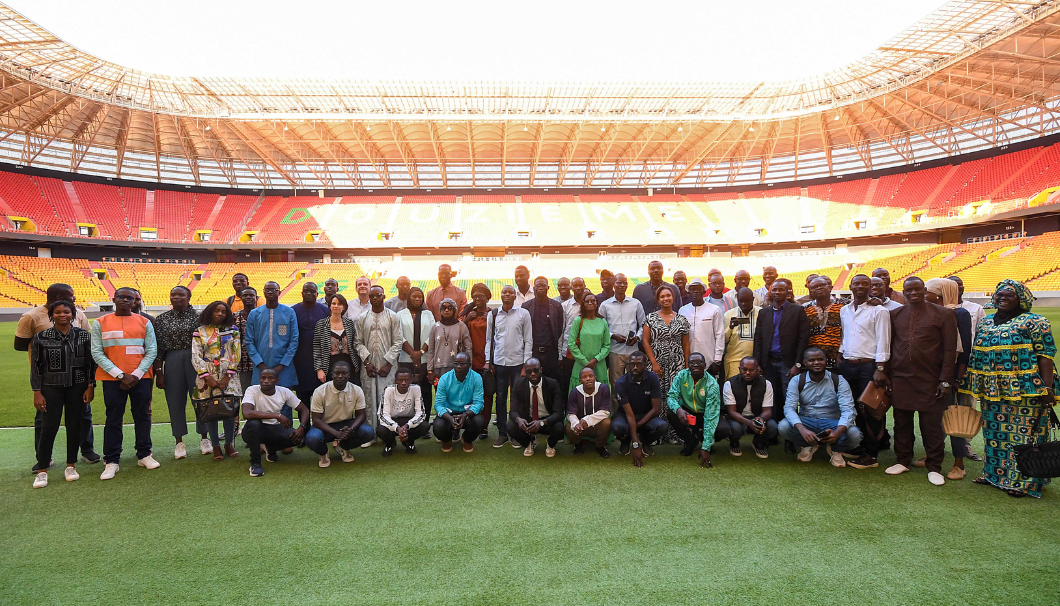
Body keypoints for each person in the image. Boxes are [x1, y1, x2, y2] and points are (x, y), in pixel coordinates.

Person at [961, 279, 1057, 498]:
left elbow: (1045, 355)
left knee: (1023, 436)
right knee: (994, 434)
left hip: (1026, 389)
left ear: (1021, 298)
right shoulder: (986, 323)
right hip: (993, 390)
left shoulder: (1035, 322)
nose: (1002, 298)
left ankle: (1024, 481)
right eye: (999, 295)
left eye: (1008, 295)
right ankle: (993, 474)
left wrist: (1047, 388)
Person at [879, 277, 957, 486]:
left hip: (932, 379)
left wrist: (945, 380)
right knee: (901, 422)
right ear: (903, 292)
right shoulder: (895, 314)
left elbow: (950, 351)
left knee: (930, 425)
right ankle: (903, 460)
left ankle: (934, 467)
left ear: (925, 291)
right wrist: (886, 373)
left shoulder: (944, 314)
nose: (913, 293)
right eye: (909, 290)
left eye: (917, 289)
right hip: (901, 377)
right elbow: (889, 345)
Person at [15, 282, 97, 470]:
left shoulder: (78, 313)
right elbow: (19, 344)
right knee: (45, 421)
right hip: (49, 379)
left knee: (82, 416)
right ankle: (44, 458)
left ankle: (86, 450)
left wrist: (90, 383)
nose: (74, 298)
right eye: (70, 295)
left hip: (77, 379)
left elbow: (87, 347)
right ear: (57, 297)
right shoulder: (32, 316)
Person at [91, 287, 159, 480]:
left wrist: (135, 374)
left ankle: (144, 454)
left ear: (135, 300)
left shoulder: (145, 322)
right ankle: (112, 460)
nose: (126, 300)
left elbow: (151, 350)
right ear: (114, 299)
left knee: (142, 415)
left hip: (140, 377)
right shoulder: (100, 323)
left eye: (130, 298)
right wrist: (121, 375)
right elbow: (97, 352)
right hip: (112, 379)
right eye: (122, 297)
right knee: (113, 418)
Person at [30, 300, 96, 488]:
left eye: (66, 312)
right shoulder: (41, 337)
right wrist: (37, 392)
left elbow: (91, 364)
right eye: (57, 312)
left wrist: (90, 385)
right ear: (52, 315)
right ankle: (42, 470)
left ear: (72, 314)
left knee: (74, 425)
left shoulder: (83, 336)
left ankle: (71, 465)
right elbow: (36, 368)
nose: (62, 315)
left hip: (78, 386)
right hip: (50, 387)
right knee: (48, 427)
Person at [920, 278, 974, 480]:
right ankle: (931, 455)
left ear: (940, 293)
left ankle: (958, 463)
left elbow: (964, 350)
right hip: (929, 373)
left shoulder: (960, 313)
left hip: (950, 375)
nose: (926, 294)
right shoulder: (929, 311)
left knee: (953, 418)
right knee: (931, 420)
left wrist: (957, 379)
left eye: (929, 291)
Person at [837, 274, 892, 470]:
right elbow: (845, 336)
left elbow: (883, 340)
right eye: (857, 283)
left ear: (871, 288)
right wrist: (840, 353)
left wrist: (880, 368)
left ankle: (872, 454)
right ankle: (862, 446)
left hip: (869, 366)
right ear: (850, 286)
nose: (860, 286)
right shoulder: (844, 310)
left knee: (870, 410)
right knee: (854, 408)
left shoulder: (879, 311)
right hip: (848, 365)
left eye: (865, 284)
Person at [778, 348, 861, 466]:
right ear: (805, 363)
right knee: (783, 426)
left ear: (826, 361)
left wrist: (837, 433)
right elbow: (789, 408)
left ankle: (836, 449)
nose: (816, 363)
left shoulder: (839, 381)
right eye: (812, 360)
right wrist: (803, 430)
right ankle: (807, 445)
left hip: (832, 422)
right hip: (807, 420)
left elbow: (848, 410)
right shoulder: (797, 381)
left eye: (820, 359)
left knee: (855, 435)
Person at [154, 285, 210, 459]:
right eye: (173, 295)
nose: (176, 298)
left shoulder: (199, 318)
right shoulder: (162, 319)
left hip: (196, 361)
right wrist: (159, 371)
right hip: (172, 360)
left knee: (200, 400)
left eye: (181, 295)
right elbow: (159, 347)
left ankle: (204, 438)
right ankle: (179, 442)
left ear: (189, 297)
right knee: (175, 402)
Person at [753, 278, 809, 427]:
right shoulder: (764, 312)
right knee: (770, 398)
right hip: (768, 363)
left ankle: (790, 432)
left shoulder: (797, 310)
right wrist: (757, 363)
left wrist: (797, 364)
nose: (777, 292)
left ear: (788, 291)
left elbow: (803, 339)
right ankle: (773, 430)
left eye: (781, 289)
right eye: (774, 289)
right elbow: (758, 338)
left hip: (788, 363)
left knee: (788, 397)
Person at [190, 301, 242, 461]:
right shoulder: (199, 332)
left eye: (223, 312)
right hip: (206, 376)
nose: (220, 314)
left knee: (229, 409)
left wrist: (228, 376)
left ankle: (228, 443)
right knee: (209, 410)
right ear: (209, 312)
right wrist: (208, 378)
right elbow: (196, 356)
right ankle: (215, 446)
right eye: (216, 311)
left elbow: (236, 353)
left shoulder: (233, 331)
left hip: (229, 375)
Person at [485, 285, 533, 448]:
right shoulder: (493, 314)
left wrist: (526, 364)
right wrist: (488, 361)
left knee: (517, 398)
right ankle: (502, 433)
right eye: (504, 292)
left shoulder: (523, 314)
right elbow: (489, 340)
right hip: (499, 363)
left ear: (514, 296)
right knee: (500, 398)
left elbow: (528, 340)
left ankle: (515, 433)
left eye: (510, 292)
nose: (507, 294)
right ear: (501, 295)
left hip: (518, 363)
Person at [354, 285, 404, 439]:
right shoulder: (362, 318)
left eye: (378, 295)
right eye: (372, 296)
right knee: (369, 399)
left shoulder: (393, 316)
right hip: (368, 366)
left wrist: (388, 363)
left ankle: (388, 434)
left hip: (388, 366)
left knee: (387, 398)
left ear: (384, 296)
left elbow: (398, 341)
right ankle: (370, 434)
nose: (375, 298)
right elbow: (357, 342)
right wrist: (367, 363)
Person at [240, 368, 308, 477]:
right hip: (252, 431)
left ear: (277, 380)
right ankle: (255, 463)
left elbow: (304, 410)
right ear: (260, 379)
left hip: (273, 428)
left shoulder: (284, 392)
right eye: (263, 378)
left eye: (270, 378)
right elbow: (247, 413)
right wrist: (277, 415)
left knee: (297, 437)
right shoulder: (252, 390)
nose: (266, 381)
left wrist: (301, 427)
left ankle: (271, 448)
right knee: (254, 424)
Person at [305, 361, 374, 467]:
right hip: (325, 426)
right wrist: (335, 433)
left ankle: (343, 447)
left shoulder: (357, 390)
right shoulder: (320, 391)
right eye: (337, 373)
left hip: (346, 425)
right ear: (332, 374)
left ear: (349, 375)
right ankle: (323, 453)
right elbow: (316, 420)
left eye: (344, 373)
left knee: (368, 432)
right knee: (312, 439)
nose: (340, 376)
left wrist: (351, 429)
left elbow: (361, 415)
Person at [666, 353, 726, 467]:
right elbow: (671, 396)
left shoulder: (712, 383)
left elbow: (710, 416)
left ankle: (705, 440)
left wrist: (705, 448)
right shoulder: (682, 375)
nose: (696, 365)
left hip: (705, 414)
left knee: (724, 429)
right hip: (688, 412)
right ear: (688, 365)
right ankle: (690, 441)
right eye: (692, 363)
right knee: (671, 413)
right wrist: (679, 409)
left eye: (699, 363)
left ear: (705, 365)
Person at [245, 281, 299, 403]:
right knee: (261, 402)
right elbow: (249, 341)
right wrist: (260, 364)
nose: (270, 292)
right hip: (260, 366)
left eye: (273, 290)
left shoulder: (289, 312)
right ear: (263, 292)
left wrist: (281, 365)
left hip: (284, 367)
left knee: (284, 402)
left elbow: (294, 341)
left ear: (279, 292)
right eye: (267, 289)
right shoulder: (254, 314)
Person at [612, 351, 667, 465]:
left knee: (662, 426)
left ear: (645, 365)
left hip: (646, 414)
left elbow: (656, 409)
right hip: (626, 415)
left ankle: (645, 441)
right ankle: (626, 442)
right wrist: (635, 445)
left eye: (639, 364)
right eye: (632, 364)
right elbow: (629, 414)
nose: (635, 367)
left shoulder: (652, 378)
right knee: (617, 426)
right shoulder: (621, 382)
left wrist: (636, 427)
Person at [599, 273, 646, 401]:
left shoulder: (636, 303)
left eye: (624, 282)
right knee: (616, 386)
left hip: (633, 352)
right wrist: (612, 336)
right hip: (615, 351)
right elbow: (600, 327)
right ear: (613, 284)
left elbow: (643, 324)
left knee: (635, 383)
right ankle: (617, 415)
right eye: (619, 282)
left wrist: (637, 337)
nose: (622, 285)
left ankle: (635, 411)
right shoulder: (605, 305)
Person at [643, 285, 691, 410]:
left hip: (677, 362)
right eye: (662, 296)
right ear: (658, 299)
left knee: (676, 393)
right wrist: (654, 363)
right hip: (656, 362)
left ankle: (675, 425)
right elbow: (645, 341)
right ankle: (659, 425)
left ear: (673, 298)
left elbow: (686, 344)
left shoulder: (681, 319)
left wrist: (687, 365)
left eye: (668, 295)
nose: (666, 298)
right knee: (657, 393)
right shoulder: (650, 318)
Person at [507, 358, 565, 457]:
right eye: (529, 371)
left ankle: (550, 444)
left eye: (536, 370)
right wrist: (519, 420)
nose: (533, 374)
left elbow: (559, 413)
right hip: (528, 421)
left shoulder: (552, 384)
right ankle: (529, 443)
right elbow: (512, 411)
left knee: (559, 427)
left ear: (541, 370)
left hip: (546, 421)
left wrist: (542, 423)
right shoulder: (519, 384)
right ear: (525, 372)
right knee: (511, 426)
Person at [461, 283, 496, 440]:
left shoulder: (493, 314)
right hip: (472, 360)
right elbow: (459, 333)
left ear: (487, 297)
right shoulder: (469, 315)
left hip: (488, 360)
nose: (477, 299)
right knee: (472, 394)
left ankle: (484, 425)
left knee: (488, 394)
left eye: (480, 296)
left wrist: (492, 360)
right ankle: (472, 422)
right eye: (474, 296)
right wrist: (466, 320)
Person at [723, 357, 777, 458]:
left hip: (757, 417)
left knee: (772, 427)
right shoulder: (729, 384)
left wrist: (761, 419)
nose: (747, 373)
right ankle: (734, 442)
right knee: (735, 428)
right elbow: (731, 412)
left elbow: (768, 411)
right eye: (744, 370)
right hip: (738, 418)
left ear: (757, 370)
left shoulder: (766, 384)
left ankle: (758, 442)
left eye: (751, 370)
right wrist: (748, 423)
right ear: (739, 369)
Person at [433, 352, 485, 452]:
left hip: (467, 413)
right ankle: (447, 440)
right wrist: (449, 417)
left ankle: (467, 439)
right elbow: (438, 404)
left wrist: (465, 415)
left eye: (462, 364)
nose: (458, 366)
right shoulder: (444, 378)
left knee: (479, 421)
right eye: (456, 363)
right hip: (449, 413)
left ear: (469, 365)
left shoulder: (476, 378)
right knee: (438, 425)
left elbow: (479, 403)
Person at [396, 286, 436, 416]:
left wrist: (421, 352)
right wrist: (412, 353)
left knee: (425, 391)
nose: (417, 299)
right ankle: (408, 421)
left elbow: (432, 334)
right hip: (406, 359)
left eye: (420, 296)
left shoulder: (428, 314)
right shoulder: (400, 314)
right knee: (407, 391)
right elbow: (398, 335)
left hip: (424, 360)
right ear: (409, 298)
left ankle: (424, 422)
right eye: (414, 296)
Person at [679, 278, 725, 379]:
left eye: (698, 289)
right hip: (688, 361)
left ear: (704, 291)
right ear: (689, 292)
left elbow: (720, 335)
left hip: (709, 360)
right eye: (692, 289)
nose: (695, 292)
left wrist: (717, 359)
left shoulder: (714, 310)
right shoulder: (683, 310)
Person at [521, 276, 565, 384]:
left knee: (551, 382)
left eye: (543, 285)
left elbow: (559, 329)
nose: (541, 288)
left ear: (548, 287)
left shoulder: (557, 306)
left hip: (550, 352)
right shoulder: (526, 306)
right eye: (538, 285)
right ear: (534, 288)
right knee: (533, 382)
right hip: (534, 351)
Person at [378, 368, 429, 455]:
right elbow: (383, 415)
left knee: (425, 426)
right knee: (380, 429)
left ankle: (409, 442)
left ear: (411, 380)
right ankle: (390, 443)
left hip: (408, 420)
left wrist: (407, 426)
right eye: (400, 380)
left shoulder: (416, 389)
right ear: (396, 381)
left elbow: (421, 413)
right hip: (393, 420)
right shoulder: (389, 390)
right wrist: (397, 428)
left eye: (406, 380)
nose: (403, 383)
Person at [313, 293, 361, 384]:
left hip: (349, 364)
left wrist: (357, 365)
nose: (336, 306)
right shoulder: (321, 324)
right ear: (330, 306)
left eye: (339, 304)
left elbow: (354, 345)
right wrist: (319, 369)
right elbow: (317, 348)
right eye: (334, 303)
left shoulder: (349, 323)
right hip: (329, 365)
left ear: (344, 307)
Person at [567, 293, 610, 392]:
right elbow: (571, 344)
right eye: (587, 301)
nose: (590, 303)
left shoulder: (602, 322)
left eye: (593, 301)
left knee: (600, 392)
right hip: (581, 364)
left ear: (597, 303)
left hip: (599, 365)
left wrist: (595, 360)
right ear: (583, 304)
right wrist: (585, 362)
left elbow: (607, 345)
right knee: (580, 394)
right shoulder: (578, 321)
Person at [566, 367, 612, 458]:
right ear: (580, 381)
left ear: (595, 378)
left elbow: (605, 411)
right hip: (581, 426)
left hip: (597, 425)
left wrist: (587, 420)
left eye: (591, 376)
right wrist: (576, 424)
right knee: (568, 427)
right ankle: (578, 444)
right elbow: (571, 413)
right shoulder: (575, 392)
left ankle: (600, 446)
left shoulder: (603, 389)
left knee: (607, 423)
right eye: (584, 377)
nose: (588, 378)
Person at [427, 298, 473, 386]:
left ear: (454, 310)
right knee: (441, 396)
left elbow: (468, 347)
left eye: (450, 308)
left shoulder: (461, 326)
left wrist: (469, 367)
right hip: (439, 367)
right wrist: (429, 370)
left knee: (456, 395)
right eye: (444, 308)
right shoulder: (435, 327)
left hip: (457, 367)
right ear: (440, 310)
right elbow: (431, 349)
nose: (446, 310)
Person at [802, 276, 843, 370]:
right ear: (810, 291)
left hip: (837, 358)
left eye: (822, 285)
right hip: (813, 360)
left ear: (830, 287)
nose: (819, 288)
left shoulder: (844, 306)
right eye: (814, 287)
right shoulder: (804, 308)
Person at [558, 276, 591, 390]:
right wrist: (560, 354)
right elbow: (561, 331)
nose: (578, 288)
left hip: (587, 351)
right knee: (569, 383)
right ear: (571, 287)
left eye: (580, 285)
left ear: (584, 286)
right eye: (575, 285)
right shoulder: (565, 306)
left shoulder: (590, 304)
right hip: (569, 352)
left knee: (587, 383)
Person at [722, 288, 760, 380]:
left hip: (754, 363)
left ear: (753, 299)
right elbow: (723, 340)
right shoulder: (729, 315)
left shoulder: (761, 313)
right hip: (734, 361)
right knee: (734, 389)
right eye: (741, 301)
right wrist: (731, 327)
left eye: (747, 301)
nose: (743, 304)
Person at [233, 286, 258, 393]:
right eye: (245, 295)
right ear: (241, 297)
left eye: (251, 295)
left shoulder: (263, 315)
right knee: (246, 394)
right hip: (242, 363)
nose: (248, 297)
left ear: (256, 297)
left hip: (260, 362)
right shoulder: (234, 317)